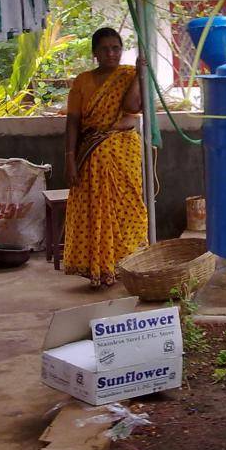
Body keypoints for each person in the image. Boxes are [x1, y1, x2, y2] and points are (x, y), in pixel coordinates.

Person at [63, 27, 149, 288]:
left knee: (127, 208)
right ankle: (99, 268)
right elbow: (73, 121)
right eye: (105, 48)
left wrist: (139, 74)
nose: (111, 53)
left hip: (123, 153)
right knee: (94, 210)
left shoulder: (127, 76)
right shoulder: (82, 81)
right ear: (95, 53)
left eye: (116, 48)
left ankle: (126, 265)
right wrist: (69, 157)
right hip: (90, 150)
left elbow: (133, 108)